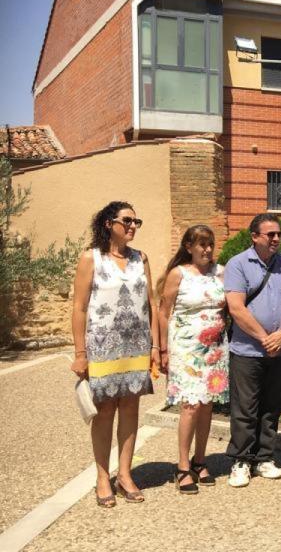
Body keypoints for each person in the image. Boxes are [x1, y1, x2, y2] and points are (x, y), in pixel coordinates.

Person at [71, 201, 158, 507]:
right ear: (109, 223)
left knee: (131, 409)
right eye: (128, 220)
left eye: (137, 221)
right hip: (102, 347)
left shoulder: (140, 259)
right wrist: (80, 353)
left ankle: (125, 474)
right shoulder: (90, 258)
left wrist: (155, 347)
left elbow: (151, 304)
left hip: (135, 346)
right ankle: (101, 476)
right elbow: (80, 307)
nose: (133, 226)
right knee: (105, 411)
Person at [223, 214, 281, 488]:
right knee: (245, 407)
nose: (276, 238)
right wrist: (265, 338)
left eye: (279, 234)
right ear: (254, 236)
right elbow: (236, 307)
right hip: (247, 349)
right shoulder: (238, 264)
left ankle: (265, 457)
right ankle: (241, 460)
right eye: (270, 234)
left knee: (272, 406)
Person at [157, 225, 230, 494]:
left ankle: (201, 460)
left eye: (210, 243)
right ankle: (183, 466)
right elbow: (163, 312)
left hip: (215, 349)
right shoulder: (178, 274)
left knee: (207, 405)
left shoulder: (221, 272)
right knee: (190, 405)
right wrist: (162, 349)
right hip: (186, 349)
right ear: (189, 247)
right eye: (201, 244)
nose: (207, 249)